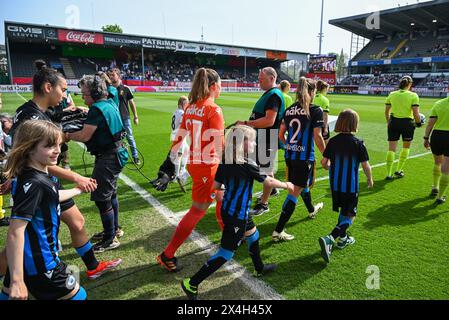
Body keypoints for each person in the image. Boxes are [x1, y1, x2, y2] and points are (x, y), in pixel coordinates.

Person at [1, 61, 122, 280]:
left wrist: (70, 111)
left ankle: (93, 267)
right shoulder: (33, 118)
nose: (65, 95)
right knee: (23, 239)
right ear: (48, 87)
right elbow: (39, 161)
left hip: (43, 181)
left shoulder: (34, 112)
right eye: (63, 89)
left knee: (77, 222)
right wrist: (77, 177)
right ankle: (13, 281)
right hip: (35, 184)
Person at [181, 125, 294, 300]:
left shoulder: (225, 161)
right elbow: (269, 181)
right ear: (242, 143)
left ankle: (259, 268)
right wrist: (287, 185)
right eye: (253, 141)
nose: (255, 144)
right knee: (227, 253)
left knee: (254, 236)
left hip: (232, 211)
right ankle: (192, 283)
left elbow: (216, 188)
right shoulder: (247, 164)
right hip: (236, 215)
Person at [1, 121, 87, 300]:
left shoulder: (35, 175)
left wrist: (78, 190)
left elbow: (52, 196)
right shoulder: (35, 183)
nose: (57, 150)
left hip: (25, 260)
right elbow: (15, 232)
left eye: (58, 144)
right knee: (79, 296)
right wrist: (17, 280)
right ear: (29, 148)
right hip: (42, 265)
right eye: (49, 146)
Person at [153, 68, 225, 272]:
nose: (221, 89)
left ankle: (228, 236)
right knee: (197, 210)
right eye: (219, 85)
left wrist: (169, 164)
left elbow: (179, 138)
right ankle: (167, 254)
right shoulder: (214, 109)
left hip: (195, 163)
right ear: (213, 87)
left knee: (221, 196)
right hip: (207, 165)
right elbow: (221, 145)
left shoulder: (191, 107)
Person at [66, 75, 128, 253]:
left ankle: (110, 238)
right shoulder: (108, 103)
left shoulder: (96, 109)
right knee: (111, 194)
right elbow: (101, 114)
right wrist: (86, 109)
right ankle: (114, 229)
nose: (83, 97)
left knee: (102, 198)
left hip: (108, 157)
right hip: (117, 153)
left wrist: (67, 135)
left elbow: (85, 136)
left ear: (94, 93)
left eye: (85, 94)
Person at [272, 77, 326, 242]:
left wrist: (289, 146)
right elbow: (317, 136)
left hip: (290, 155)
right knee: (294, 192)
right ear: (311, 92)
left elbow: (281, 135)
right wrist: (327, 155)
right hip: (304, 158)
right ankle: (278, 231)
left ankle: (311, 210)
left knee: (302, 185)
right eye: (315, 91)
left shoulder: (289, 110)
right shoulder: (315, 110)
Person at [319, 109, 373, 263]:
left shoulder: (333, 142)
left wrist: (331, 168)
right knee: (351, 215)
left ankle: (343, 239)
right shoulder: (358, 143)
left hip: (335, 186)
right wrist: (369, 180)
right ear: (355, 124)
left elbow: (324, 163)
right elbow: (366, 166)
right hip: (350, 187)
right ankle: (330, 238)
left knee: (344, 211)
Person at [236, 67, 286, 216]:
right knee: (264, 168)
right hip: (263, 137)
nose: (259, 81)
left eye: (261, 79)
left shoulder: (274, 95)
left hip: (267, 137)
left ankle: (264, 204)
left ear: (272, 78)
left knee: (266, 170)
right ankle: (272, 190)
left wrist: (246, 122)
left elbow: (269, 121)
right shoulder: (270, 94)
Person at [385, 76, 423, 180]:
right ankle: (398, 170)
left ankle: (389, 174)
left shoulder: (392, 94)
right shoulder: (413, 95)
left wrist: (389, 122)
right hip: (407, 124)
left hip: (394, 122)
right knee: (406, 147)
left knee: (391, 149)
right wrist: (419, 123)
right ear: (410, 84)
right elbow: (416, 113)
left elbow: (386, 111)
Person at [107, 68, 140, 164]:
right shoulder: (108, 89)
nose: (111, 77)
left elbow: (131, 103)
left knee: (129, 137)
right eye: (110, 75)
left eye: (113, 75)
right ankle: (116, 157)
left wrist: (136, 116)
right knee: (114, 138)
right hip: (113, 119)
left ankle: (135, 156)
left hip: (125, 117)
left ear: (118, 76)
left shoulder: (125, 88)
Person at [424, 93, 449, 204]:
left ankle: (435, 186)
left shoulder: (438, 103)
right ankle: (440, 197)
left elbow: (430, 124)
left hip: (437, 136)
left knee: (437, 163)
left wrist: (426, 138)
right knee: (446, 169)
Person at [171, 96, 190, 190]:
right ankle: (176, 176)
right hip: (180, 137)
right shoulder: (182, 113)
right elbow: (185, 125)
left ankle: (182, 170)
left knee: (187, 152)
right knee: (179, 156)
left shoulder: (176, 112)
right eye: (186, 104)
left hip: (176, 135)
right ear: (182, 104)